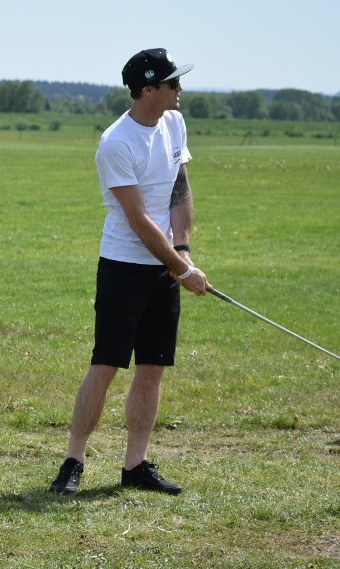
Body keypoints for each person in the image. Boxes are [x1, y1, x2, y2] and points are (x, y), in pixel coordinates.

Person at [49, 48, 210, 496]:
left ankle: (135, 465)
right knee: (105, 365)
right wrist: (181, 269)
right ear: (147, 89)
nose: (180, 89)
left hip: (166, 266)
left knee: (153, 367)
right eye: (172, 83)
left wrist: (183, 249)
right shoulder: (116, 142)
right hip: (124, 266)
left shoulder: (174, 123)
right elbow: (138, 220)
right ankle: (73, 461)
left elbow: (180, 185)